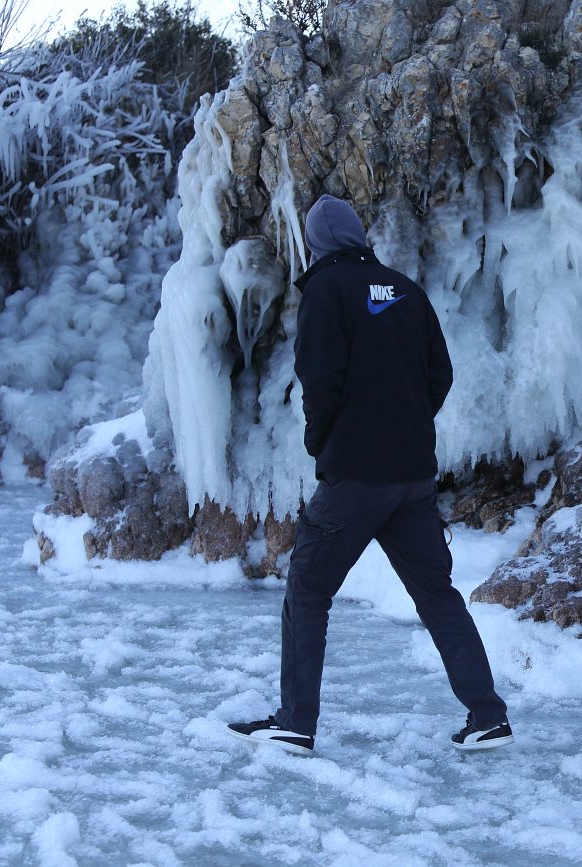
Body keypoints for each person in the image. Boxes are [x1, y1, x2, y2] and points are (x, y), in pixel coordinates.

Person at [227, 195, 513, 754]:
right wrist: (408, 426)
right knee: (437, 595)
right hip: (413, 477)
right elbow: (440, 374)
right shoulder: (405, 290)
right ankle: (487, 717)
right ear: (358, 237)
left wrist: (323, 443)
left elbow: (320, 379)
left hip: (355, 477)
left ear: (317, 244)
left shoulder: (325, 291)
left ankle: (296, 721)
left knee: (308, 590)